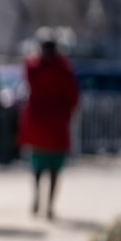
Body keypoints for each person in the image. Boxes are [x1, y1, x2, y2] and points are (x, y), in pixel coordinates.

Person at [18, 27, 80, 220]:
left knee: (37, 164)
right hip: (57, 124)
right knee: (54, 167)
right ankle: (50, 205)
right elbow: (73, 96)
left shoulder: (33, 67)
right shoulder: (63, 68)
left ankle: (38, 196)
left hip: (37, 122)